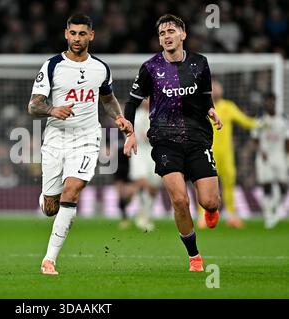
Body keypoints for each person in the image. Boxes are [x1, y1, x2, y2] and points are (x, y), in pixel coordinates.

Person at [27, 13, 133, 275]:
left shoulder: (101, 68)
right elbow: (33, 105)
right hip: (55, 139)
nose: (77, 38)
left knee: (72, 190)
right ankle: (47, 197)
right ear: (66, 34)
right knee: (51, 208)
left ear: (91, 36)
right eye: (72, 33)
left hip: (87, 138)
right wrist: (53, 110)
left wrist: (119, 117)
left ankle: (49, 260)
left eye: (82, 33)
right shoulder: (52, 65)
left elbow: (107, 99)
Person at [123, 14, 223, 272]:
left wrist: (211, 110)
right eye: (161, 33)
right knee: (179, 200)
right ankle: (194, 257)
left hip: (198, 138)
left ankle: (211, 210)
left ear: (183, 35)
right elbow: (132, 102)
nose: (166, 36)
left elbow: (205, 96)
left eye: (170, 31)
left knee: (209, 201)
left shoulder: (200, 64)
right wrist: (130, 132)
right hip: (165, 141)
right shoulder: (150, 68)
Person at [197, 79, 259, 229]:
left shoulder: (228, 106)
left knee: (229, 184)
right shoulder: (202, 106)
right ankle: (202, 217)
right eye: (213, 87)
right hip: (207, 152)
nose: (216, 89)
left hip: (226, 154)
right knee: (205, 186)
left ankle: (232, 216)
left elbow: (245, 121)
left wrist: (261, 123)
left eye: (218, 87)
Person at [251, 93, 289, 229]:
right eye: (267, 101)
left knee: (284, 186)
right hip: (264, 157)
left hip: (279, 156)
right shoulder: (260, 120)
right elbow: (254, 139)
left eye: (272, 101)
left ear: (275, 102)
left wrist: (287, 156)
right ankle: (268, 215)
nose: (269, 104)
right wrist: (261, 151)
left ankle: (273, 207)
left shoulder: (282, 119)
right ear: (264, 103)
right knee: (266, 186)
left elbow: (287, 140)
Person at [129, 98, 161, 232]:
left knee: (153, 188)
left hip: (154, 153)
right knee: (142, 182)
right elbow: (142, 136)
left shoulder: (159, 114)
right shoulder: (137, 115)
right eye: (146, 99)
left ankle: (146, 215)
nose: (148, 101)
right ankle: (141, 215)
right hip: (139, 152)